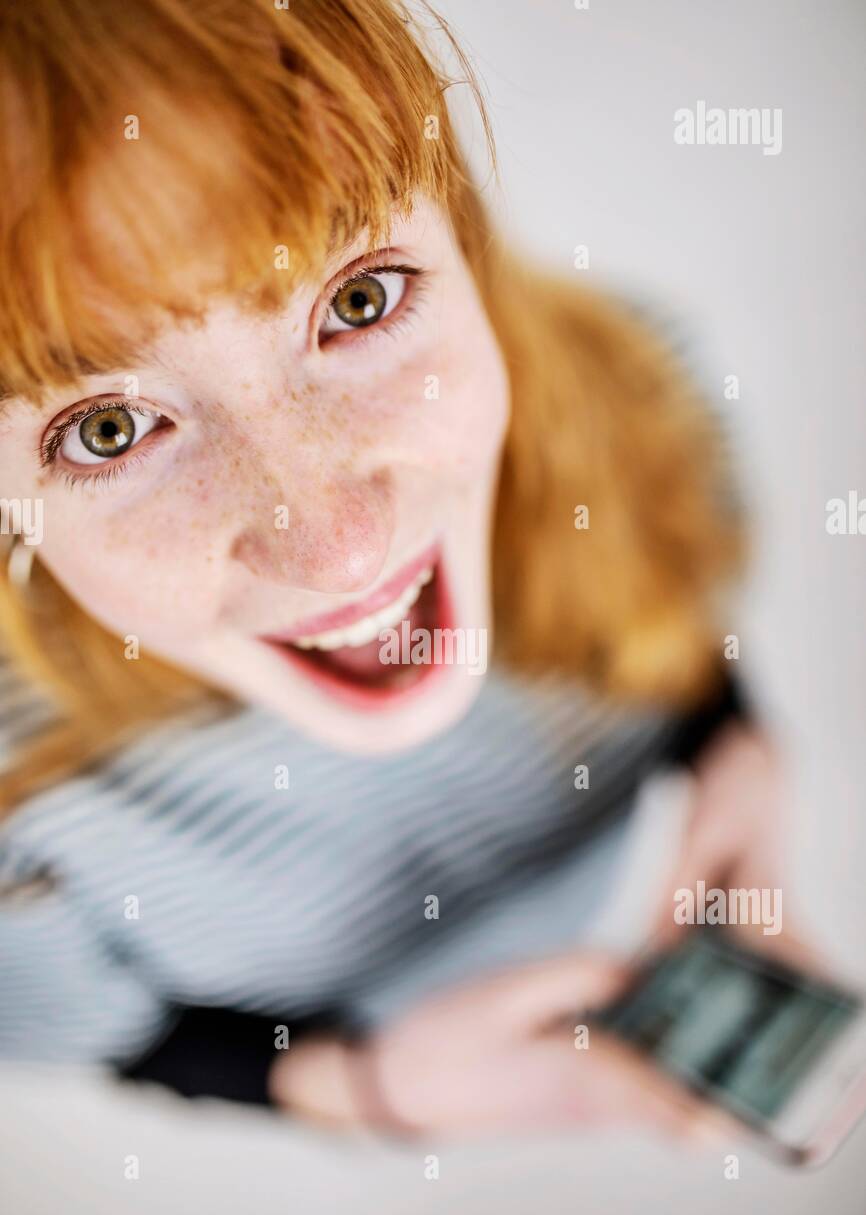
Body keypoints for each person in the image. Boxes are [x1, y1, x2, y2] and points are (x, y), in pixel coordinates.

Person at [0, 0, 792, 1140]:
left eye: (357, 300)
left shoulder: (641, 391)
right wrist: (365, 1087)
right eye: (109, 430)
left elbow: (668, 580)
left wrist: (728, 736)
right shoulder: (25, 825)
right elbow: (127, 1034)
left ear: (461, 242)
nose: (343, 552)